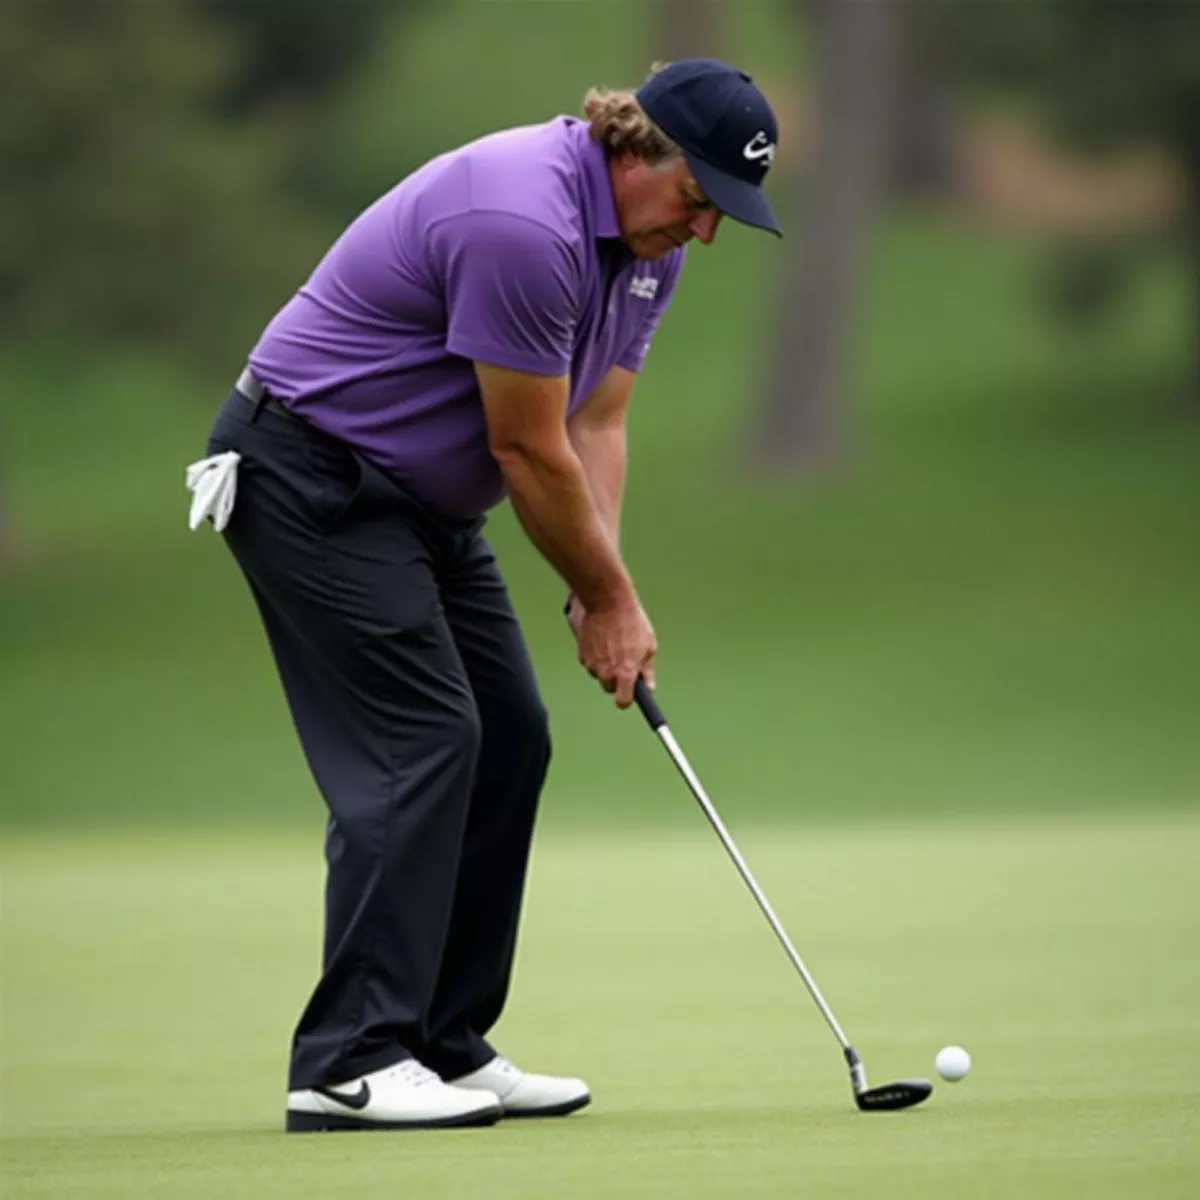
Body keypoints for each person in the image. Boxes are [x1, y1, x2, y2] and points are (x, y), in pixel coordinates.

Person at [191, 58, 781, 1133]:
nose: (702, 233)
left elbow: (595, 424)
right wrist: (607, 598)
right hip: (306, 474)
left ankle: (442, 1044)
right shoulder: (524, 222)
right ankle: (349, 1059)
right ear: (636, 149)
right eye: (699, 200)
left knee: (509, 736)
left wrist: (594, 581)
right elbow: (524, 445)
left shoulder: (648, 250)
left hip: (421, 502)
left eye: (724, 218)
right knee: (424, 738)